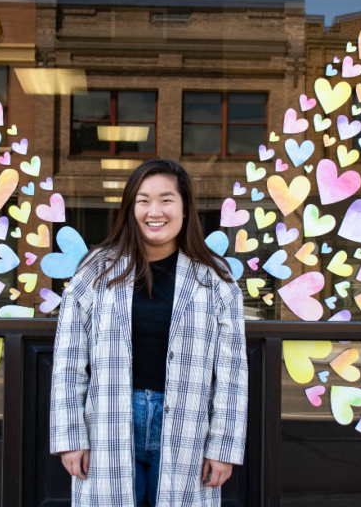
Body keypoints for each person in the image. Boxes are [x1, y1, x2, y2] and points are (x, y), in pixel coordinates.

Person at [49, 159, 248, 506]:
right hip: (109, 422)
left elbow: (232, 372)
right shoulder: (95, 272)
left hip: (189, 423)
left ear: (185, 208)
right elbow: (68, 362)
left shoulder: (216, 280)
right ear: (130, 208)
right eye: (143, 200)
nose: (154, 211)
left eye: (166, 199)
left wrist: (224, 446)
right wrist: (70, 437)